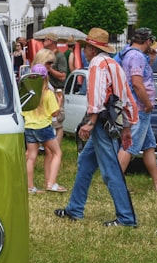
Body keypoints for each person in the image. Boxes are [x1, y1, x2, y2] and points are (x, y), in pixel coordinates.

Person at [55, 27, 138, 227]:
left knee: (111, 170)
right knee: (85, 162)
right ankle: (75, 209)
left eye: (85, 47)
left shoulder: (96, 64)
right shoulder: (114, 64)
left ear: (92, 49)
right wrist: (127, 126)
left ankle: (126, 218)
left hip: (101, 121)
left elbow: (97, 96)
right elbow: (125, 96)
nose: (84, 51)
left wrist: (90, 122)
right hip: (112, 119)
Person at [117, 28, 157, 193]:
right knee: (129, 147)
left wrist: (151, 60)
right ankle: (117, 185)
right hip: (139, 108)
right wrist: (148, 103)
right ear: (147, 41)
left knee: (149, 146)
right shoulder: (137, 56)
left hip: (136, 107)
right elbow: (137, 83)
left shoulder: (129, 54)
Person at [21, 58, 64, 194]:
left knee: (31, 156)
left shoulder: (28, 94)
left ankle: (30, 187)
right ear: (46, 78)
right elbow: (55, 112)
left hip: (29, 127)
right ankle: (51, 183)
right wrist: (59, 101)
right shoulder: (48, 94)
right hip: (43, 127)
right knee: (57, 153)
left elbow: (23, 110)